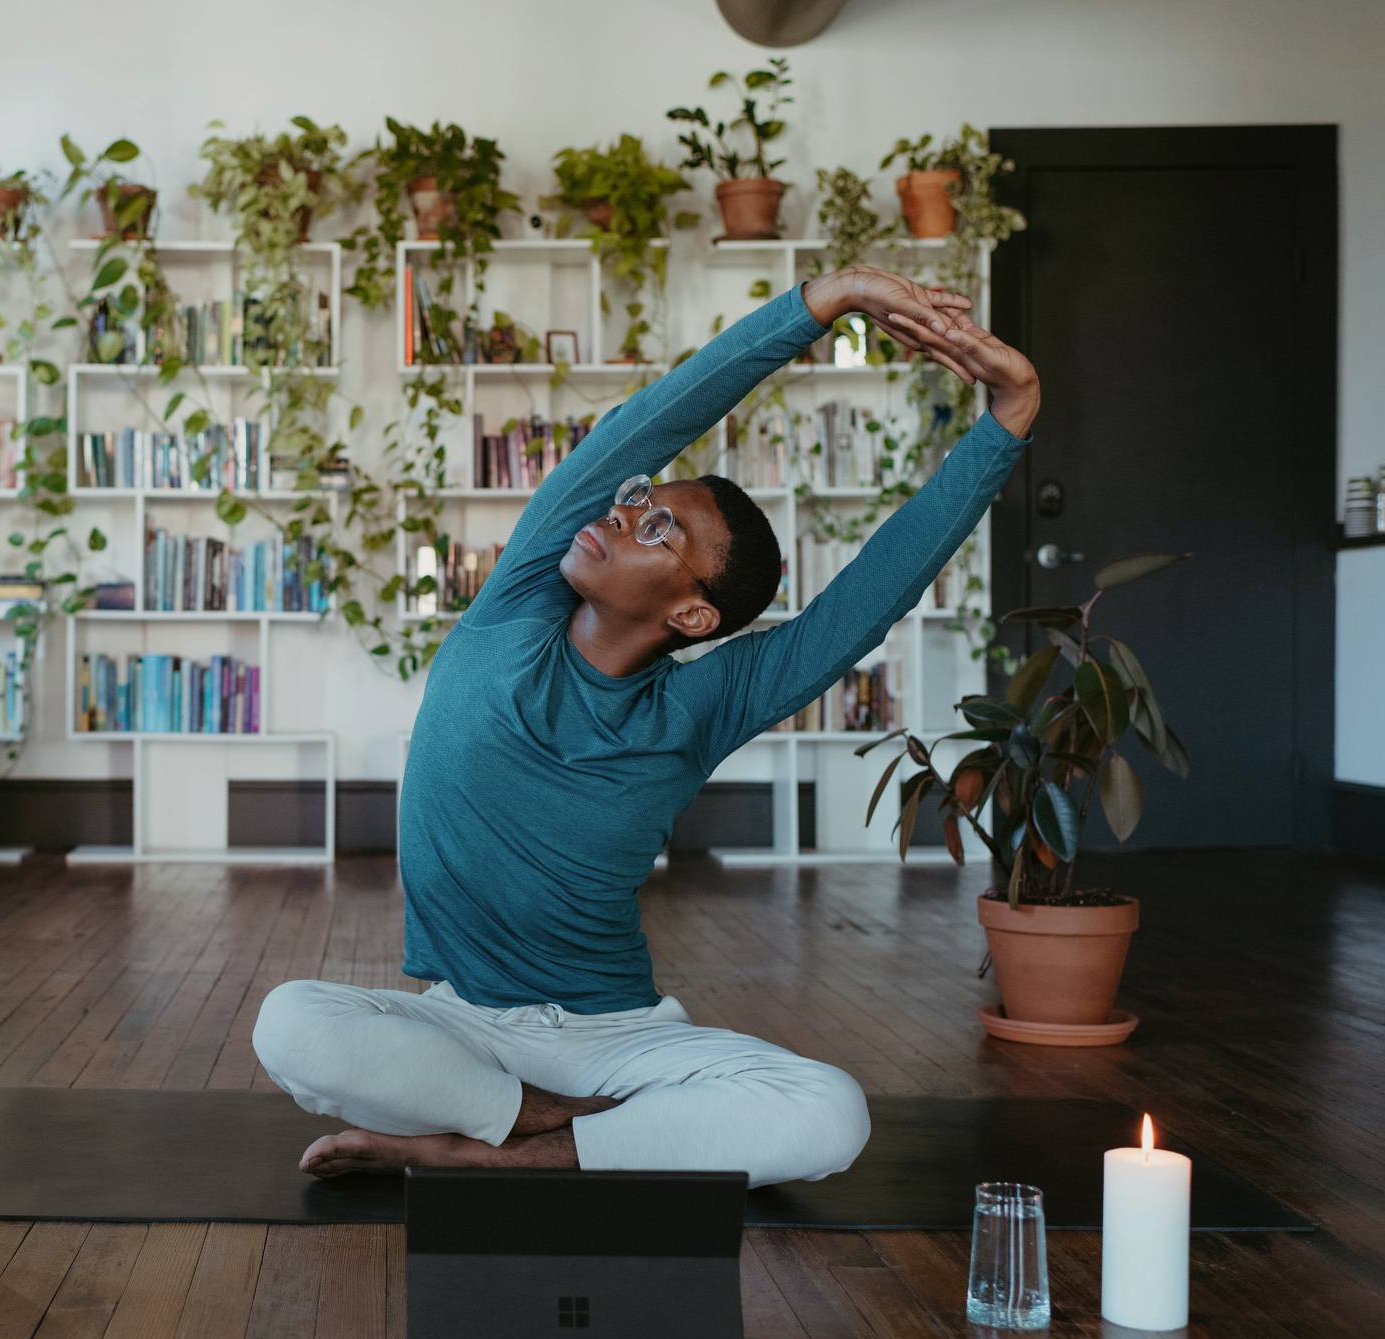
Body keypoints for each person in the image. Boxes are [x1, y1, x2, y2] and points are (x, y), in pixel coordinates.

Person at [251, 267, 1039, 1186]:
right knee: (291, 1022)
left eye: (659, 529)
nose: (623, 514)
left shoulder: (700, 706)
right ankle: (541, 1128)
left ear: (696, 616)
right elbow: (655, 418)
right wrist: (827, 299)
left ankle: (498, 1156)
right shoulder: (514, 607)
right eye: (639, 499)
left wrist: (1009, 416)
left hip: (611, 1042)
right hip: (458, 1024)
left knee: (830, 1113)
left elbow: (863, 603)